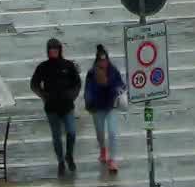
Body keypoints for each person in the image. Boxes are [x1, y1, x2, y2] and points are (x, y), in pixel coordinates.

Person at [31, 38, 82, 176]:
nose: (53, 52)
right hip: (51, 107)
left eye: (56, 49)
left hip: (67, 106)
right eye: (51, 50)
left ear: (60, 50)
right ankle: (60, 161)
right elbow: (34, 84)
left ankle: (69, 155)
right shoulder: (43, 67)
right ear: (48, 51)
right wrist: (43, 95)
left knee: (71, 132)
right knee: (56, 136)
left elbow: (77, 83)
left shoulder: (68, 65)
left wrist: (72, 95)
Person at [83, 43, 128, 174]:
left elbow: (121, 85)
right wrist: (89, 103)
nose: (103, 63)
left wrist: (111, 86)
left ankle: (113, 160)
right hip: (97, 107)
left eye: (105, 60)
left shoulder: (113, 71)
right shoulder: (92, 73)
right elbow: (88, 90)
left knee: (113, 133)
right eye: (101, 61)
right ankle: (103, 149)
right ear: (97, 62)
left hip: (111, 106)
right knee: (100, 133)